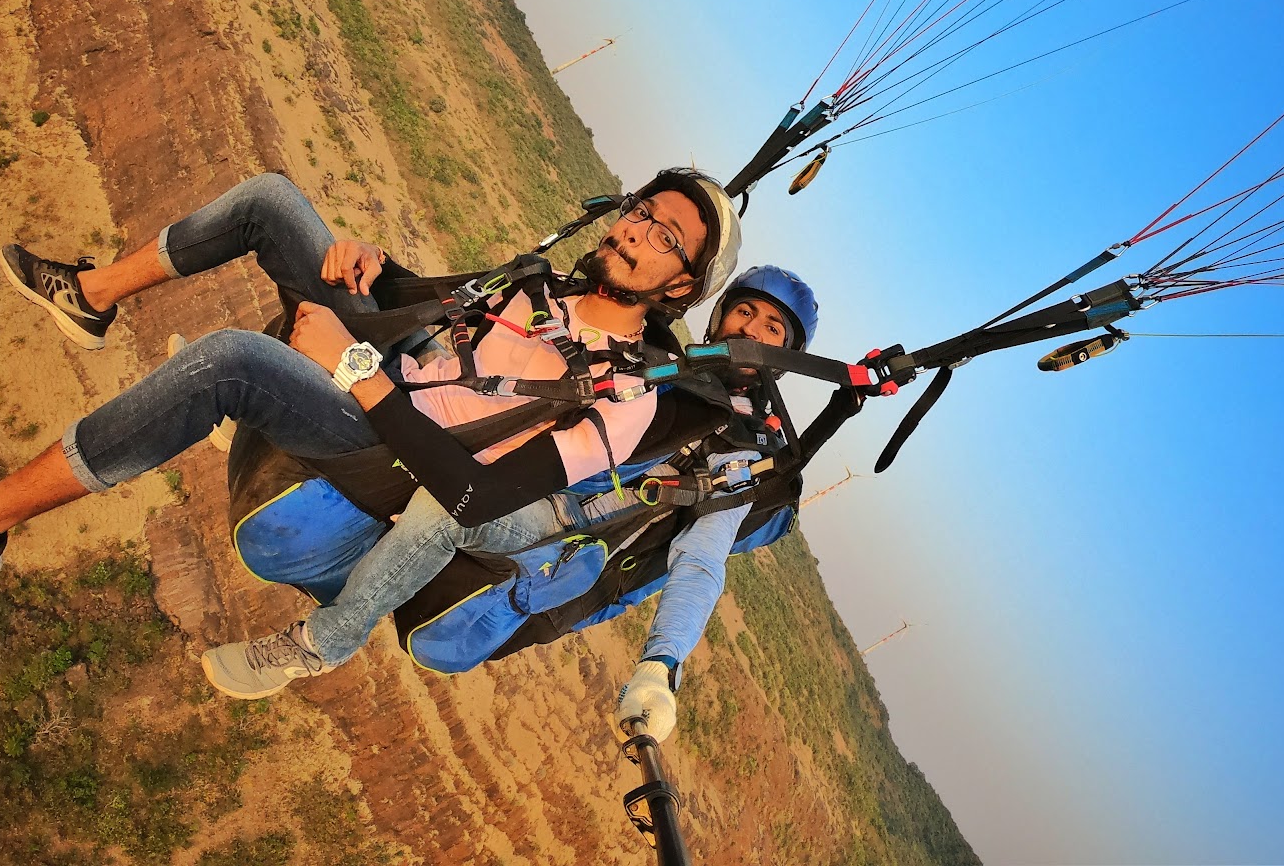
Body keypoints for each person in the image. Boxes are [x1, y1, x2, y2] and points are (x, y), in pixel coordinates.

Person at [0, 169, 740, 588]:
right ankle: (89, 295)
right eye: (641, 212)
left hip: (387, 457)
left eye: (667, 237)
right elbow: (436, 320)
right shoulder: (551, 286)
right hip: (384, 375)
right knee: (274, 203)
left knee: (232, 360)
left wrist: (349, 366)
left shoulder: (629, 393)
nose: (635, 232)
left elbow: (474, 494)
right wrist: (376, 269)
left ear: (680, 286)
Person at [198, 265, 822, 748]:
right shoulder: (659, 364)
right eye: (746, 312)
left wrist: (662, 664)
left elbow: (702, 562)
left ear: (784, 359)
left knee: (453, 507)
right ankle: (253, 406)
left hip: (554, 520)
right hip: (521, 458)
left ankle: (324, 642)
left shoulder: (738, 447)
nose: (753, 332)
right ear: (719, 318)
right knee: (395, 363)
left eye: (774, 331)